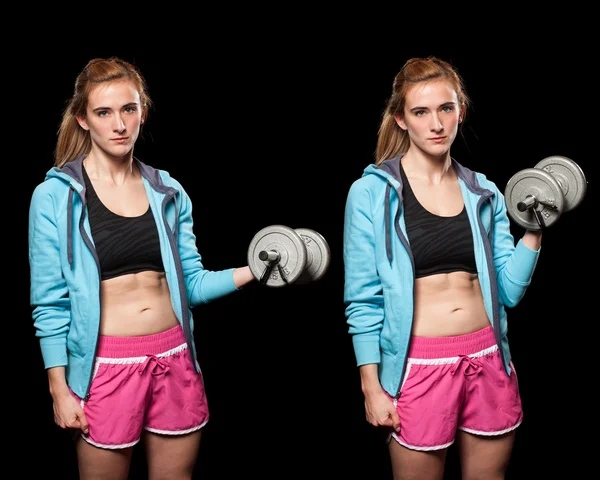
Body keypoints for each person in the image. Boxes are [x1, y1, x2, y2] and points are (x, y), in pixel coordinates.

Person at [28, 56, 256, 479]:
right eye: (104, 112)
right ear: (82, 119)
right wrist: (59, 389)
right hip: (105, 369)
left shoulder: (168, 192)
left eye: (128, 110)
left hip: (175, 358)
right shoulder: (55, 196)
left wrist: (256, 270)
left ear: (142, 113)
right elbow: (49, 304)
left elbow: (191, 284)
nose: (119, 124)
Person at [343, 56, 542, 479]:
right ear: (400, 119)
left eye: (445, 109)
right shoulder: (370, 193)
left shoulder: (483, 191)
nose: (436, 124)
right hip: (418, 368)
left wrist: (534, 234)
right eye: (421, 112)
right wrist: (370, 386)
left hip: (489, 359)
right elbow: (362, 300)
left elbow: (508, 291)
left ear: (460, 112)